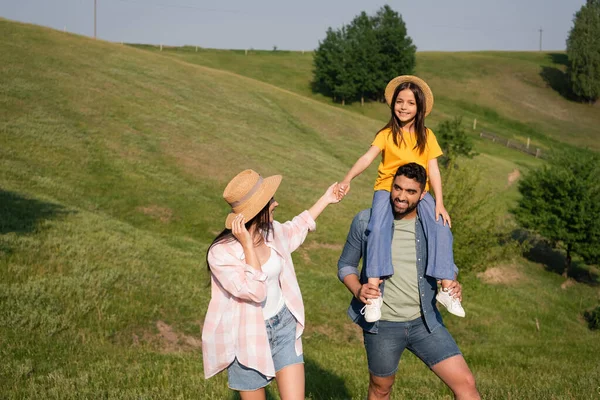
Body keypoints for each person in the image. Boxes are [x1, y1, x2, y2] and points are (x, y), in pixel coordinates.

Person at [338, 163, 480, 400]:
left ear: (423, 194)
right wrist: (357, 288)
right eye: (397, 188)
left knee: (466, 383)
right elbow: (346, 265)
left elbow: (447, 266)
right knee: (381, 389)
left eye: (410, 191)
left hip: (425, 322)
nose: (401, 197)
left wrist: (453, 282)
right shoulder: (366, 221)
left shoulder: (433, 224)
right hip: (382, 326)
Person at [202, 169, 339, 400]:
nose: (276, 202)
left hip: (283, 326)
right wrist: (247, 245)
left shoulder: (271, 232)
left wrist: (327, 198)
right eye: (271, 199)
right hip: (246, 338)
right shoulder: (221, 253)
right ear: (258, 209)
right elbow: (255, 291)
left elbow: (297, 228)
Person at [337, 75, 464, 322]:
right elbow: (367, 158)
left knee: (441, 225)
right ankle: (374, 294)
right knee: (377, 227)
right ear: (393, 104)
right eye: (399, 101)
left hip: (420, 192)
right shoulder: (386, 134)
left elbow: (434, 170)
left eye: (410, 103)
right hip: (387, 188)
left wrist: (439, 201)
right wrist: (347, 179)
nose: (404, 107)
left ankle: (447, 287)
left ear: (420, 108)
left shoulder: (427, 136)